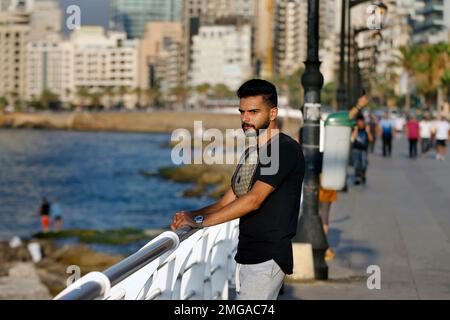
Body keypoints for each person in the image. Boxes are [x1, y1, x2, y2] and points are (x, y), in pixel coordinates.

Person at [170, 79, 305, 300]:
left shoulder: (284, 149)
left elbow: (254, 200)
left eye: (253, 111)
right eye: (242, 112)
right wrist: (192, 215)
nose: (245, 118)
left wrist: (200, 223)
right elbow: (226, 202)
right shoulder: (253, 152)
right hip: (246, 256)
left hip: (267, 257)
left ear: (273, 113)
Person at [319, 177, 337, 261]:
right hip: (323, 184)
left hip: (325, 186)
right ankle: (325, 248)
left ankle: (325, 248)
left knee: (323, 216)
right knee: (322, 216)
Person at [352, 115, 373, 185]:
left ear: (363, 121)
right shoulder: (355, 128)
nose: (360, 123)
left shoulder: (366, 128)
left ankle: (363, 175)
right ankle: (357, 177)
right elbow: (353, 139)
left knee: (364, 164)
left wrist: (368, 132)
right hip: (356, 149)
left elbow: (371, 139)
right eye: (358, 121)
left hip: (364, 149)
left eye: (361, 121)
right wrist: (355, 130)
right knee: (356, 164)